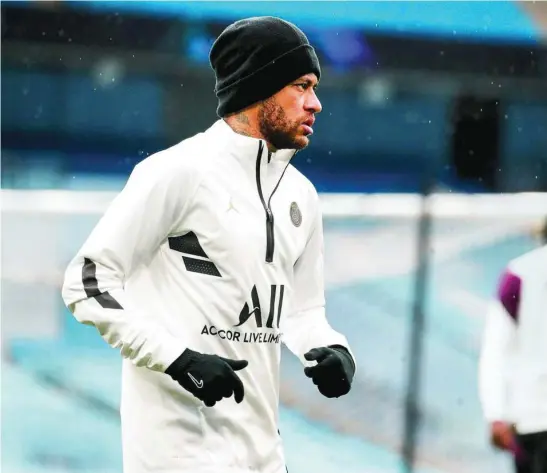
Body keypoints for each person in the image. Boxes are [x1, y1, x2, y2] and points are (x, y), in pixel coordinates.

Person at [61, 16, 356, 473]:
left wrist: (333, 349)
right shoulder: (178, 172)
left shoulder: (302, 196)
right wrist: (177, 359)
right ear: (259, 87)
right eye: (301, 86)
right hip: (178, 451)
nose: (315, 103)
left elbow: (301, 311)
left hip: (263, 453)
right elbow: (87, 282)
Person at [478, 218, 547, 473]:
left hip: (533, 419)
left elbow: (495, 350)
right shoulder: (519, 276)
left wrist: (496, 413)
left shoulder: (520, 274)